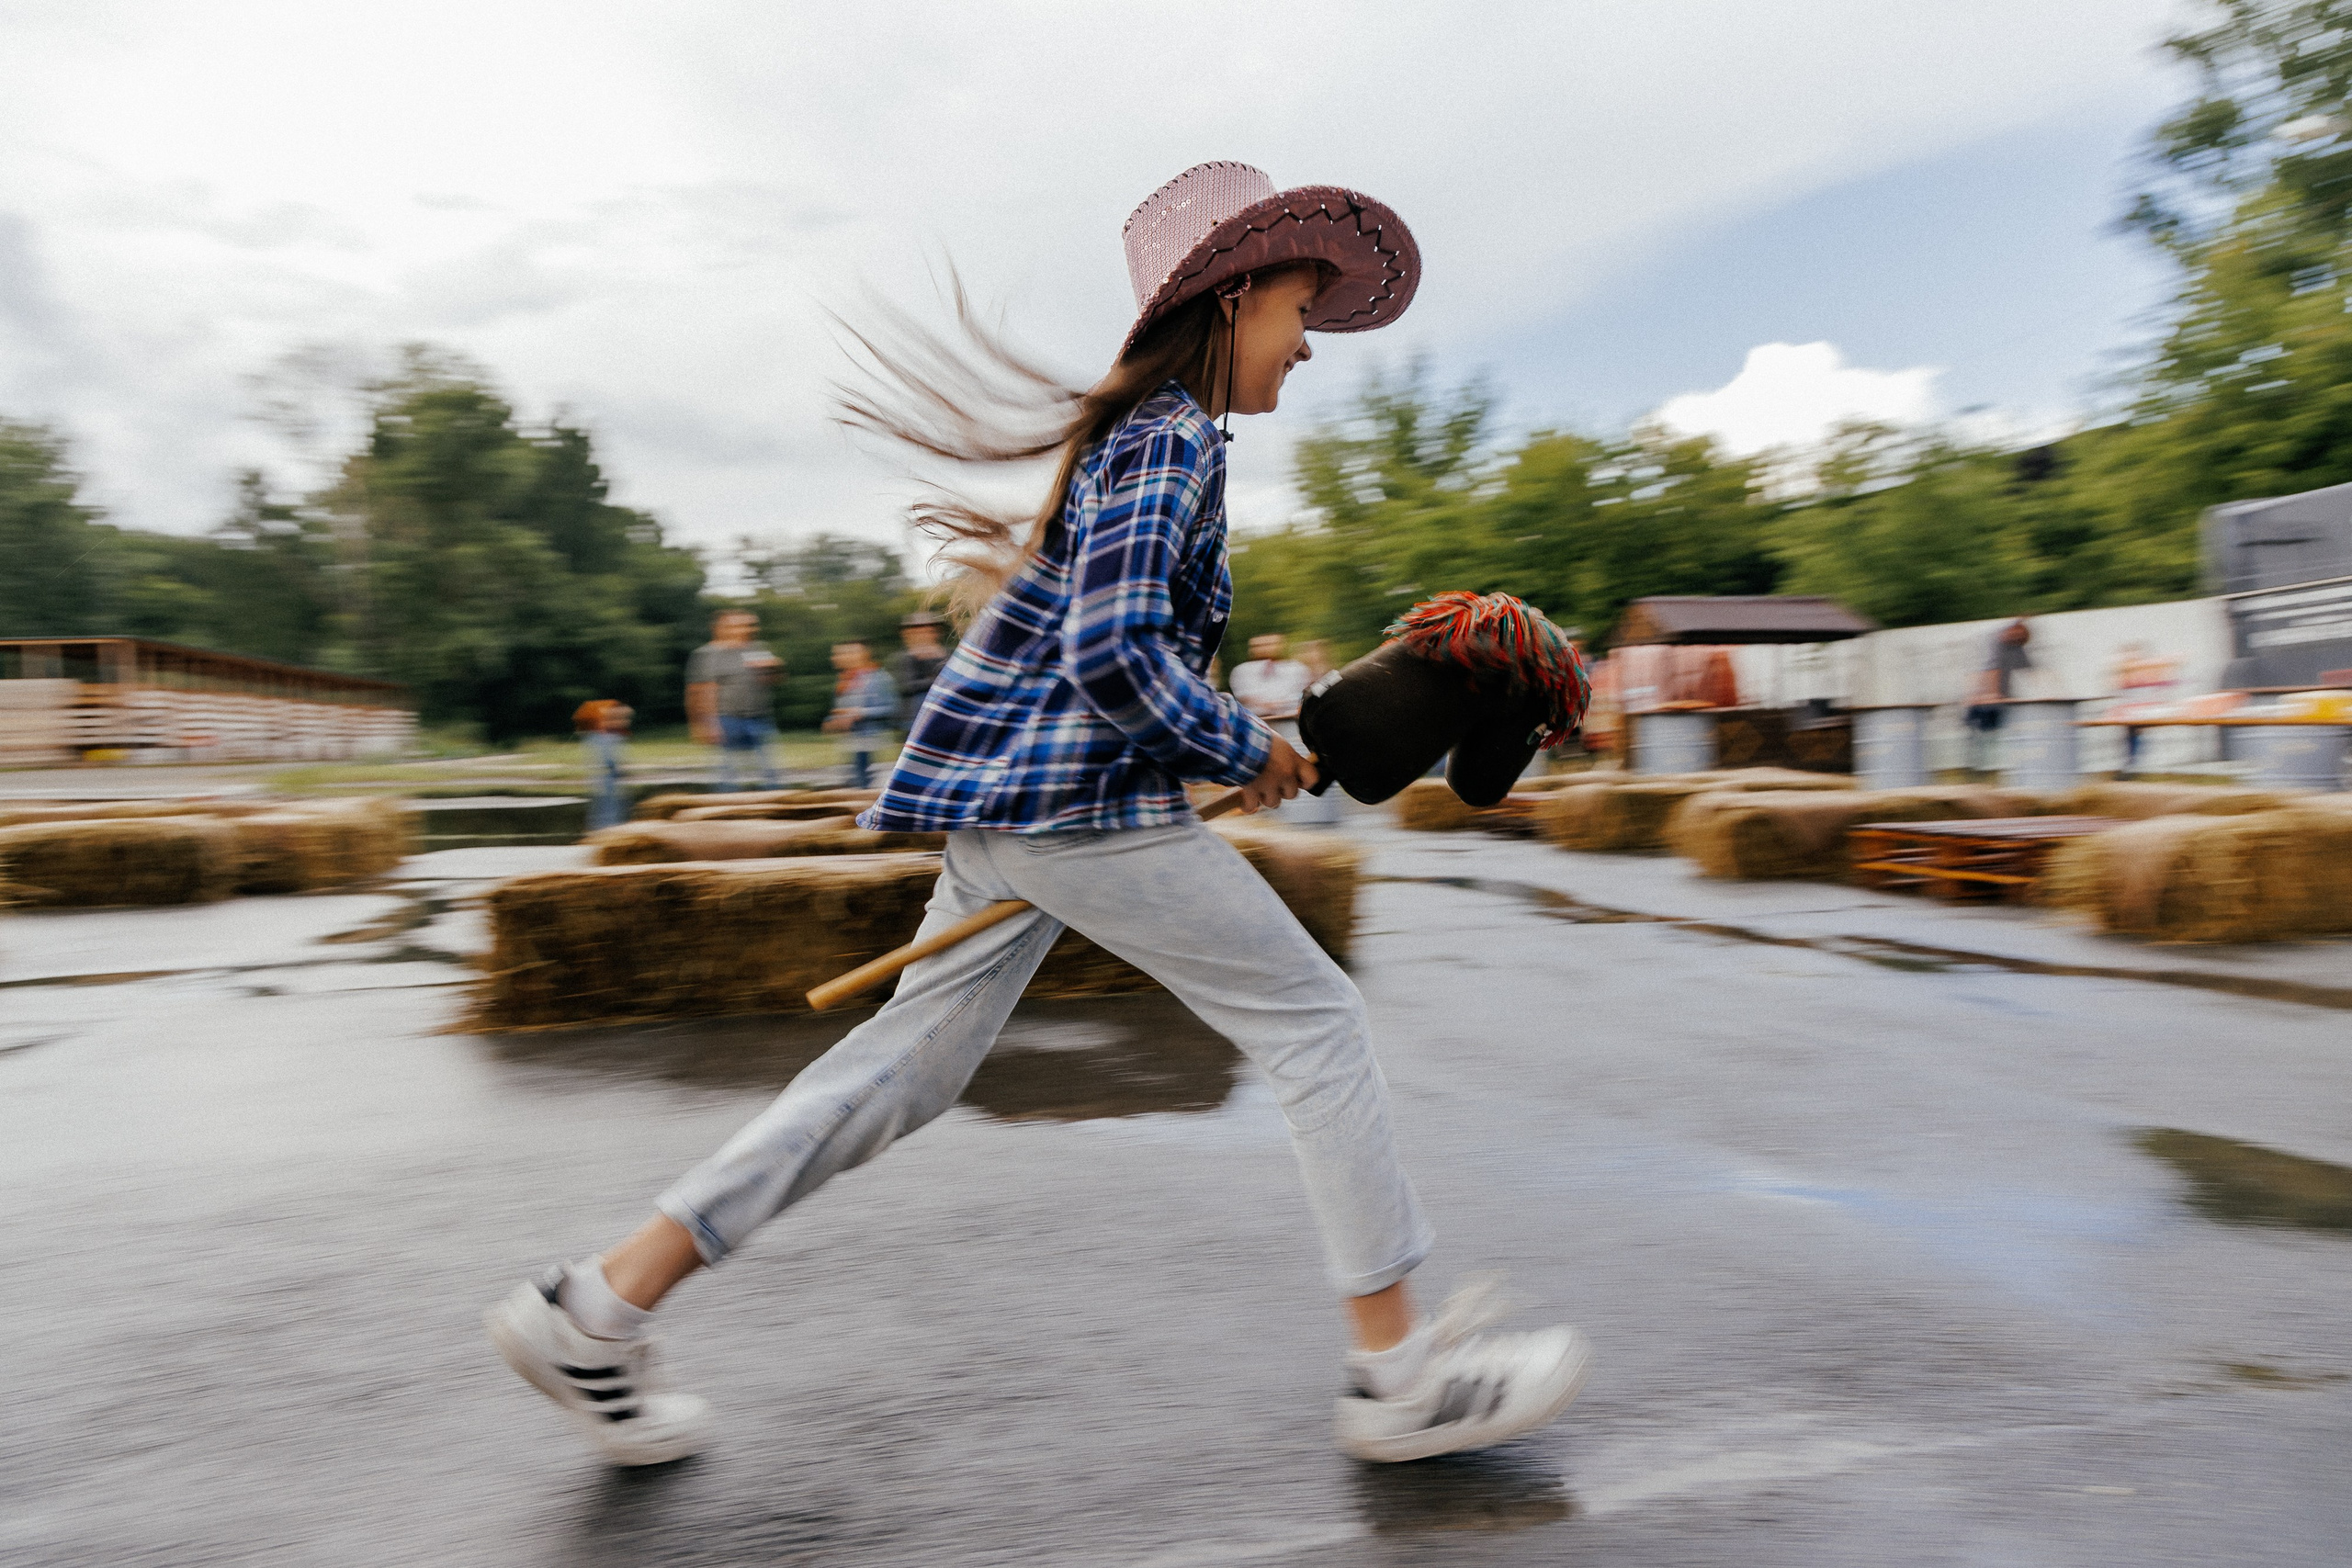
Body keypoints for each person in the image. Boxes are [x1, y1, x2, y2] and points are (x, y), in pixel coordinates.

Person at [485, 161, 1589, 1471]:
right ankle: (1399, 1374)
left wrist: (1247, 743)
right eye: (1301, 309)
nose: (1308, 346)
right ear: (1233, 299)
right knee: (1320, 1024)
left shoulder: (1153, 443)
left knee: (900, 1074)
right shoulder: (1171, 437)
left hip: (1025, 810)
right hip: (1072, 815)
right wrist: (1241, 741)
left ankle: (595, 1308)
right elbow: (1114, 653)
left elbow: (1114, 654)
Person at [1230, 633, 1336, 825]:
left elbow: (1308, 693)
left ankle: (1304, 818)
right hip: (1260, 730)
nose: (1266, 648)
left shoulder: (1294, 669)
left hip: (1290, 729)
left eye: (1271, 643)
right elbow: (1245, 698)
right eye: (1261, 644)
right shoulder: (1242, 671)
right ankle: (1269, 820)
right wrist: (1271, 705)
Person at [685, 610, 783, 790]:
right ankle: (726, 812)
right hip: (726, 719)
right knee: (727, 774)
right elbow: (700, 691)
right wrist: (707, 724)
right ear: (722, 628)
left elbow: (775, 680)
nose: (746, 629)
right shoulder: (707, 654)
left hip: (759, 718)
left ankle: (778, 812)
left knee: (770, 773)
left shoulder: (758, 648)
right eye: (738, 625)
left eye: (749, 625)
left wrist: (775, 667)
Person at [822, 640, 898, 790]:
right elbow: (840, 709)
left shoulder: (879, 678)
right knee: (855, 781)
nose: (839, 657)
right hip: (851, 740)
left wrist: (860, 713)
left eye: (848, 652)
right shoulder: (844, 679)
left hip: (872, 739)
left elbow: (892, 707)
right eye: (838, 653)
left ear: (864, 654)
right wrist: (832, 720)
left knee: (867, 783)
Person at [1965, 618, 2034, 772]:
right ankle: (1981, 770)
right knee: (1982, 736)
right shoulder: (1994, 644)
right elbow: (1992, 670)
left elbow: (2031, 671)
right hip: (1984, 700)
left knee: (1995, 735)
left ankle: (1997, 769)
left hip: (1998, 699)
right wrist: (1990, 694)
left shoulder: (2014, 647)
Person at [573, 698, 633, 831]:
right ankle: (607, 830)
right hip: (607, 779)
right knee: (609, 807)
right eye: (622, 718)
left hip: (606, 780)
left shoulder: (606, 737)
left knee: (610, 806)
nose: (625, 722)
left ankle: (606, 829)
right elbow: (610, 762)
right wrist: (619, 770)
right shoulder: (603, 738)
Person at [888, 610, 953, 728]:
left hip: (947, 712)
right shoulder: (903, 658)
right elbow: (908, 686)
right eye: (918, 631)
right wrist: (939, 679)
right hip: (915, 717)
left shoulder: (949, 654)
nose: (923, 635)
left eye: (929, 631)